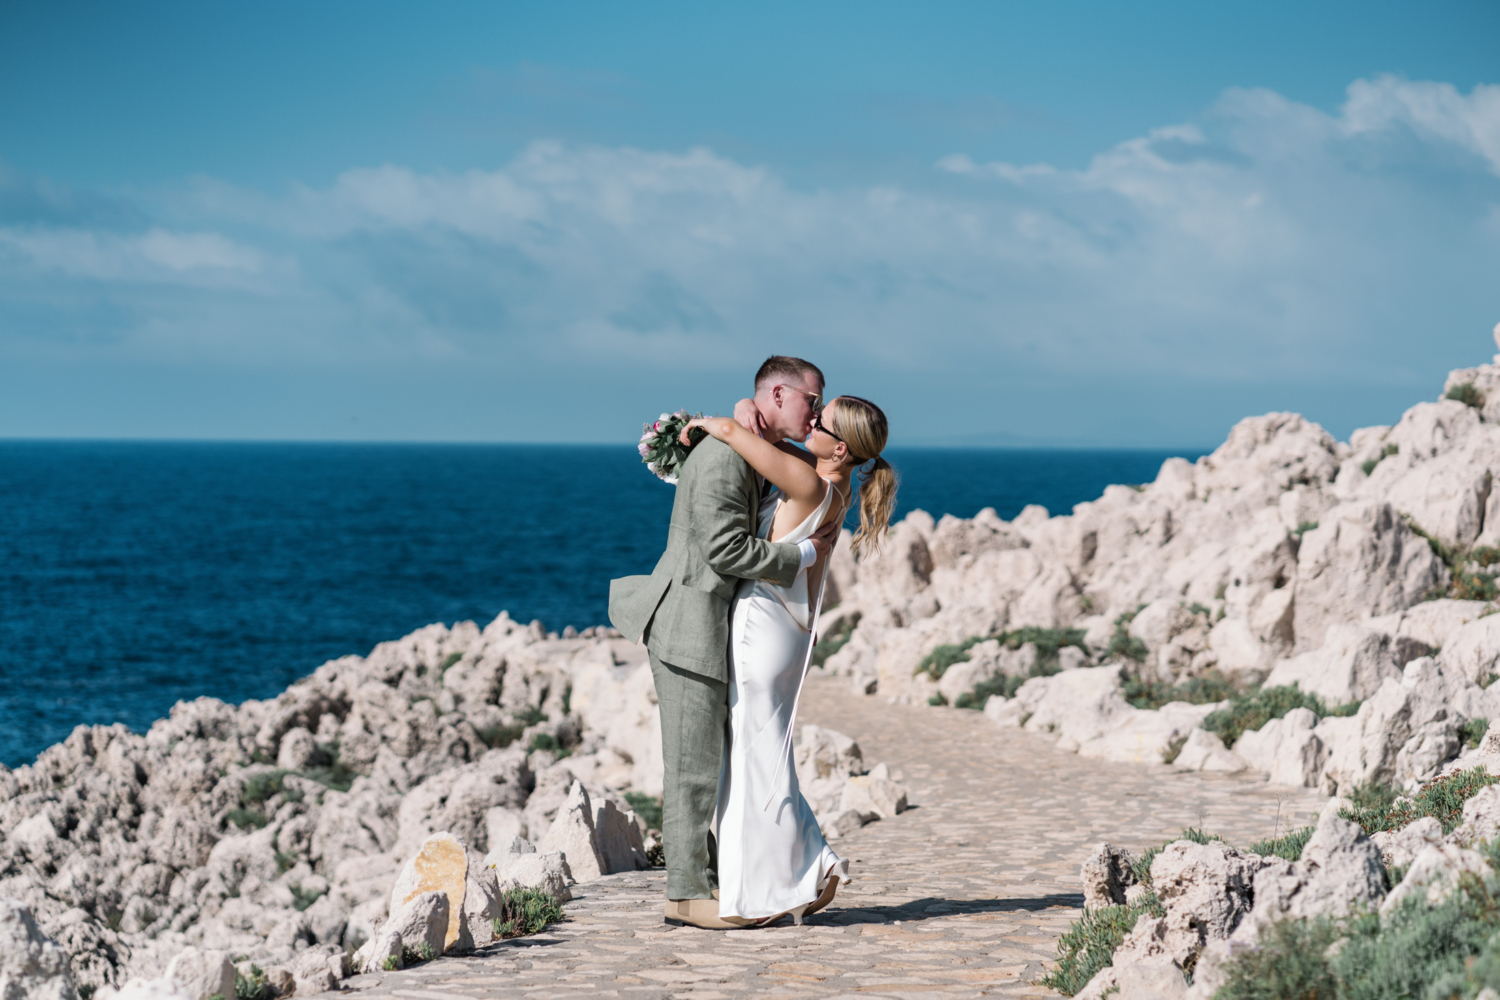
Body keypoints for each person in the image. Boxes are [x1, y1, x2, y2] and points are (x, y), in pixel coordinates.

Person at [608, 356, 839, 929]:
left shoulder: (752, 446)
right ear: (780, 395)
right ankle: (685, 894)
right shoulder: (725, 457)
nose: (815, 409)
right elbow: (724, 550)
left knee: (708, 761)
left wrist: (740, 416)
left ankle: (715, 879)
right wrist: (802, 558)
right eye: (812, 399)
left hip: (708, 621)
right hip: (687, 621)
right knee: (692, 766)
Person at [679, 393, 896, 924]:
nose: (810, 421)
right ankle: (809, 867)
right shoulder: (833, 483)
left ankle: (766, 892)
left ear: (840, 448)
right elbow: (763, 440)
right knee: (765, 757)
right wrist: (748, 413)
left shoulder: (810, 482)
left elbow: (733, 435)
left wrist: (700, 424)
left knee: (755, 763)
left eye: (819, 421)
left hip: (764, 625)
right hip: (785, 630)